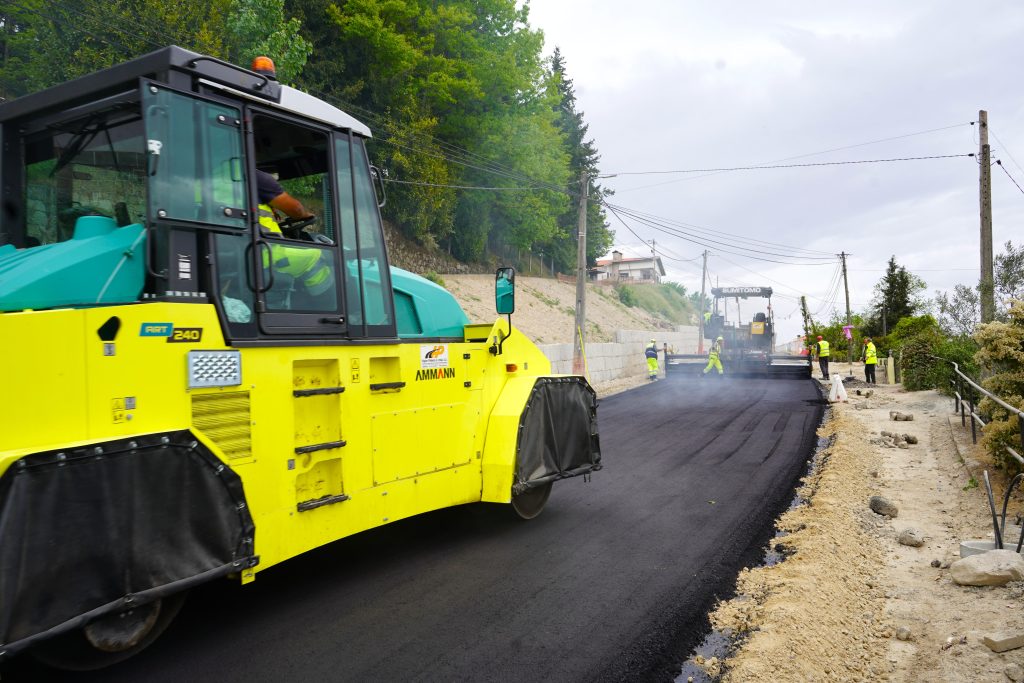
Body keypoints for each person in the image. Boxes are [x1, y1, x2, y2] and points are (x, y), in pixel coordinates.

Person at [255, 169, 334, 308]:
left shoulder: (222, 179)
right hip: (265, 251)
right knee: (315, 257)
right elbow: (295, 209)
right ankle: (332, 309)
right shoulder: (256, 177)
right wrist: (305, 214)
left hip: (251, 248)